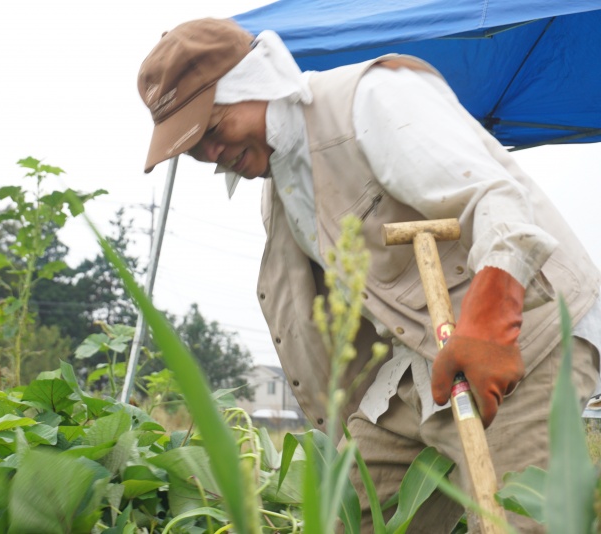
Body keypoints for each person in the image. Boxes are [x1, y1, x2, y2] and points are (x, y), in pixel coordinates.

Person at [137, 17, 601, 533]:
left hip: (523, 346)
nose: (212, 155)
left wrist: (490, 319)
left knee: (520, 521)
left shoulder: (371, 100)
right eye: (196, 148)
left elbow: (500, 204)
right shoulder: (281, 184)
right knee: (346, 521)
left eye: (214, 130)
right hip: (416, 369)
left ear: (253, 84)